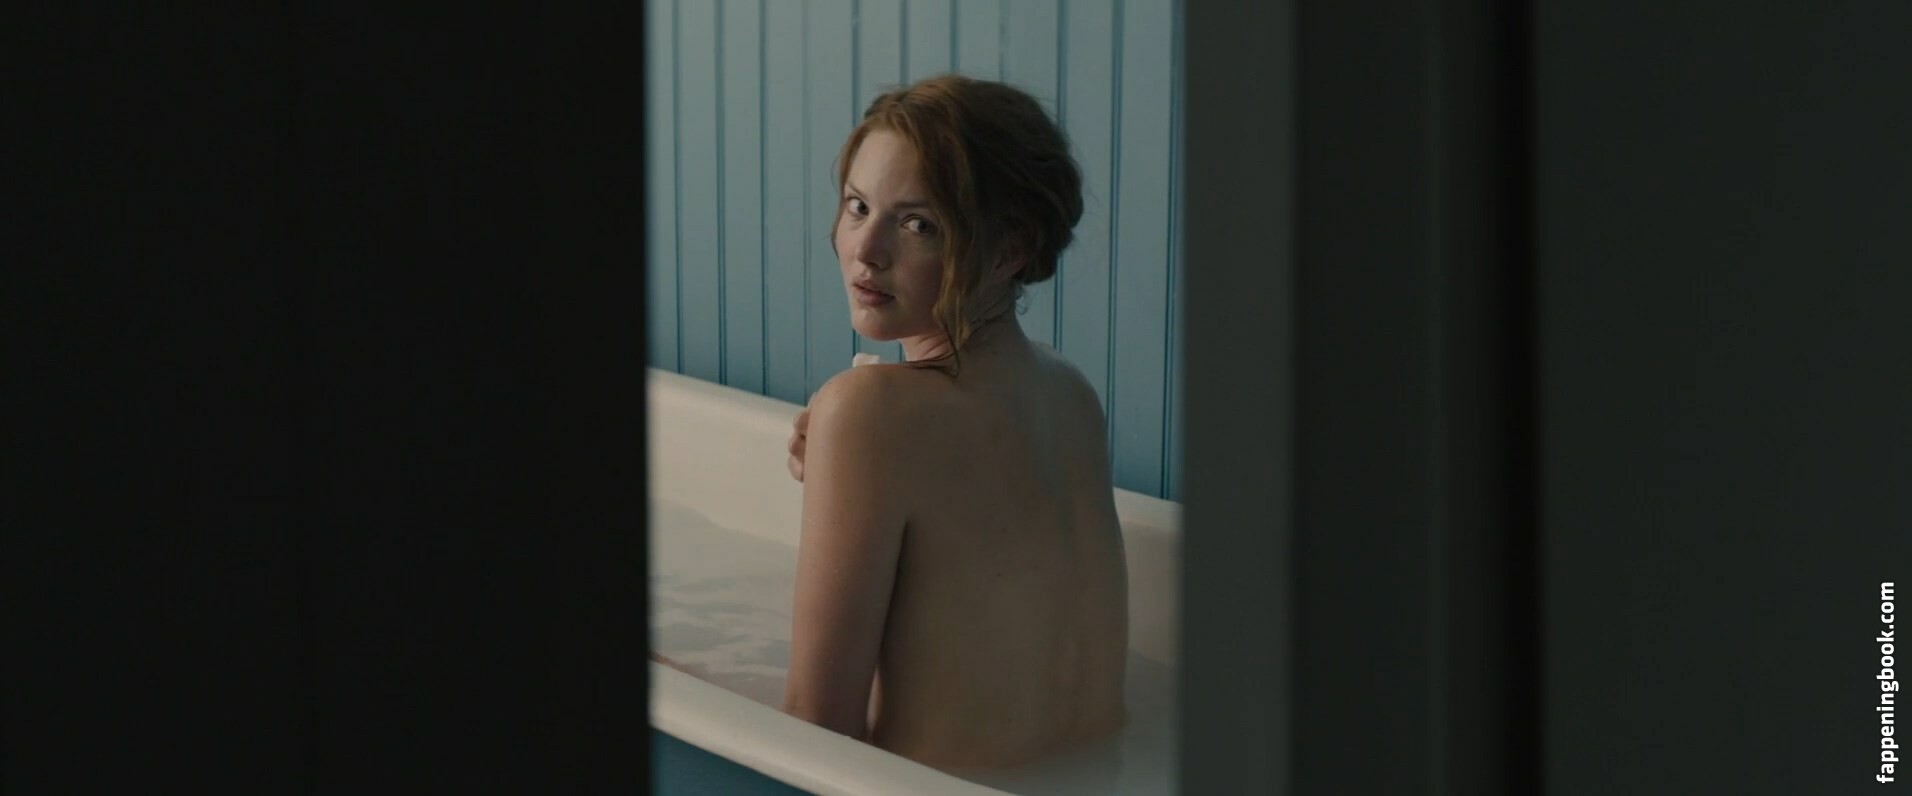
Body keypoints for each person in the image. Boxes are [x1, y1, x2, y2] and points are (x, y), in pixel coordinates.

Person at [779, 74, 1130, 772]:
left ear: (1008, 252)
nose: (866, 249)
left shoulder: (867, 412)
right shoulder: (1071, 394)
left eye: (919, 224)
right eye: (858, 206)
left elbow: (815, 735)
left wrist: (856, 438)